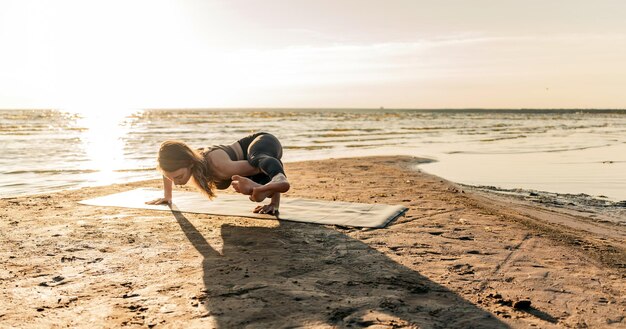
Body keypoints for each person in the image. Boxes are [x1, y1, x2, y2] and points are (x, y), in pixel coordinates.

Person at [146, 132, 290, 214]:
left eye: (178, 177)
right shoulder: (189, 162)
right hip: (252, 161)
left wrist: (274, 203)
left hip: (263, 143)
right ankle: (257, 187)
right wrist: (167, 196)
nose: (176, 183)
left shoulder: (219, 166)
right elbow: (167, 172)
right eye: (173, 179)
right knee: (256, 193)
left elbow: (265, 164)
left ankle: (273, 181)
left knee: (256, 160)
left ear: (189, 163)